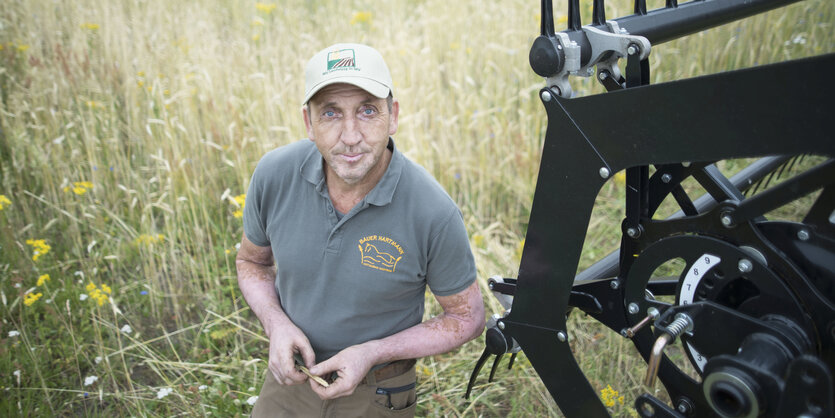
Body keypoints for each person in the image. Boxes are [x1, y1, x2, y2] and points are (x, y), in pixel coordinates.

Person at [236, 42, 485, 417]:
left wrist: (372, 352)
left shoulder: (433, 211)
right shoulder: (274, 175)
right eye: (331, 113)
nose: (350, 136)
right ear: (308, 123)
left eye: (367, 111)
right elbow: (251, 263)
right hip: (290, 378)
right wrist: (277, 326)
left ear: (393, 116)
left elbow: (466, 317)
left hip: (379, 389)